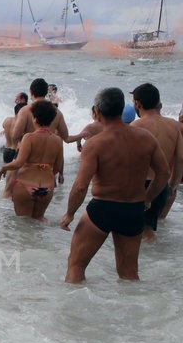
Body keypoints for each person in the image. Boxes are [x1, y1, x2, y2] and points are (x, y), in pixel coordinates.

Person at [59, 88, 169, 283]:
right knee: (129, 274)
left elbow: (80, 186)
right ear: (121, 109)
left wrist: (70, 214)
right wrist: (148, 198)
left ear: (98, 112)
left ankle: (71, 312)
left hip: (103, 208)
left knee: (76, 266)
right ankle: (133, 312)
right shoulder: (146, 139)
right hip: (133, 210)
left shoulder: (95, 144)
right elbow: (164, 173)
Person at [130, 83, 182, 238]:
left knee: (140, 233)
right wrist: (172, 187)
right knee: (148, 229)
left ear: (137, 103)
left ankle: (150, 261)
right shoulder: (174, 126)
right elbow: (180, 158)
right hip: (162, 187)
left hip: (142, 187)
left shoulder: (136, 126)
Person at [0, 101, 64, 220]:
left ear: (34, 118)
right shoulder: (58, 140)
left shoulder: (29, 137)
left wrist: (4, 168)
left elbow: (19, 163)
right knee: (38, 222)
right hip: (47, 187)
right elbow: (58, 167)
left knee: (23, 225)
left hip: (25, 184)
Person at [13, 77, 68, 144]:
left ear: (31, 92)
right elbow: (65, 136)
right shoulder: (57, 112)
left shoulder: (24, 111)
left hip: (29, 151)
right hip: (49, 151)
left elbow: (15, 136)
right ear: (46, 92)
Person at [0, 103, 26, 198]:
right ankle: (9, 196)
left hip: (6, 150)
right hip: (15, 151)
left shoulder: (7, 120)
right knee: (14, 177)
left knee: (6, 177)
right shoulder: (21, 123)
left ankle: (4, 192)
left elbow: (4, 127)